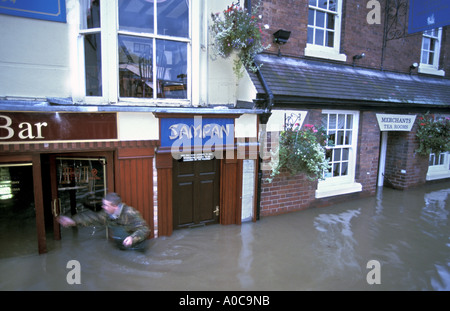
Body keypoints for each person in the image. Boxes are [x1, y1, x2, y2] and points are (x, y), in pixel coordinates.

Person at [58, 192, 150, 251]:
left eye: (105, 205)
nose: (103, 207)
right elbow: (94, 218)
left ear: (114, 206)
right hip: (121, 247)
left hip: (137, 248)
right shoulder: (106, 214)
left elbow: (145, 229)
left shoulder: (130, 213)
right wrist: (73, 221)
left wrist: (132, 238)